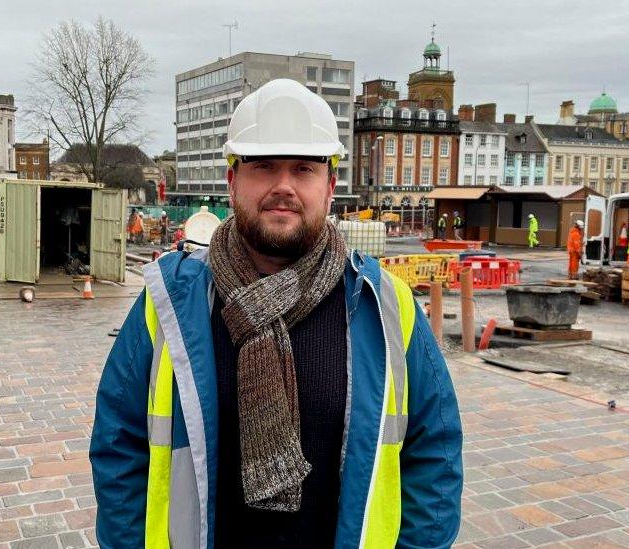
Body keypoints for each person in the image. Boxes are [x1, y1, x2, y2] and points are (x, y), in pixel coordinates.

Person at [90, 79, 462, 549]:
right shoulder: (170, 302)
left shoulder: (385, 304)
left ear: (330, 187)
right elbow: (117, 445)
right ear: (232, 182)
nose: (282, 186)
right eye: (263, 166)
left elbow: (436, 453)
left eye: (303, 169)